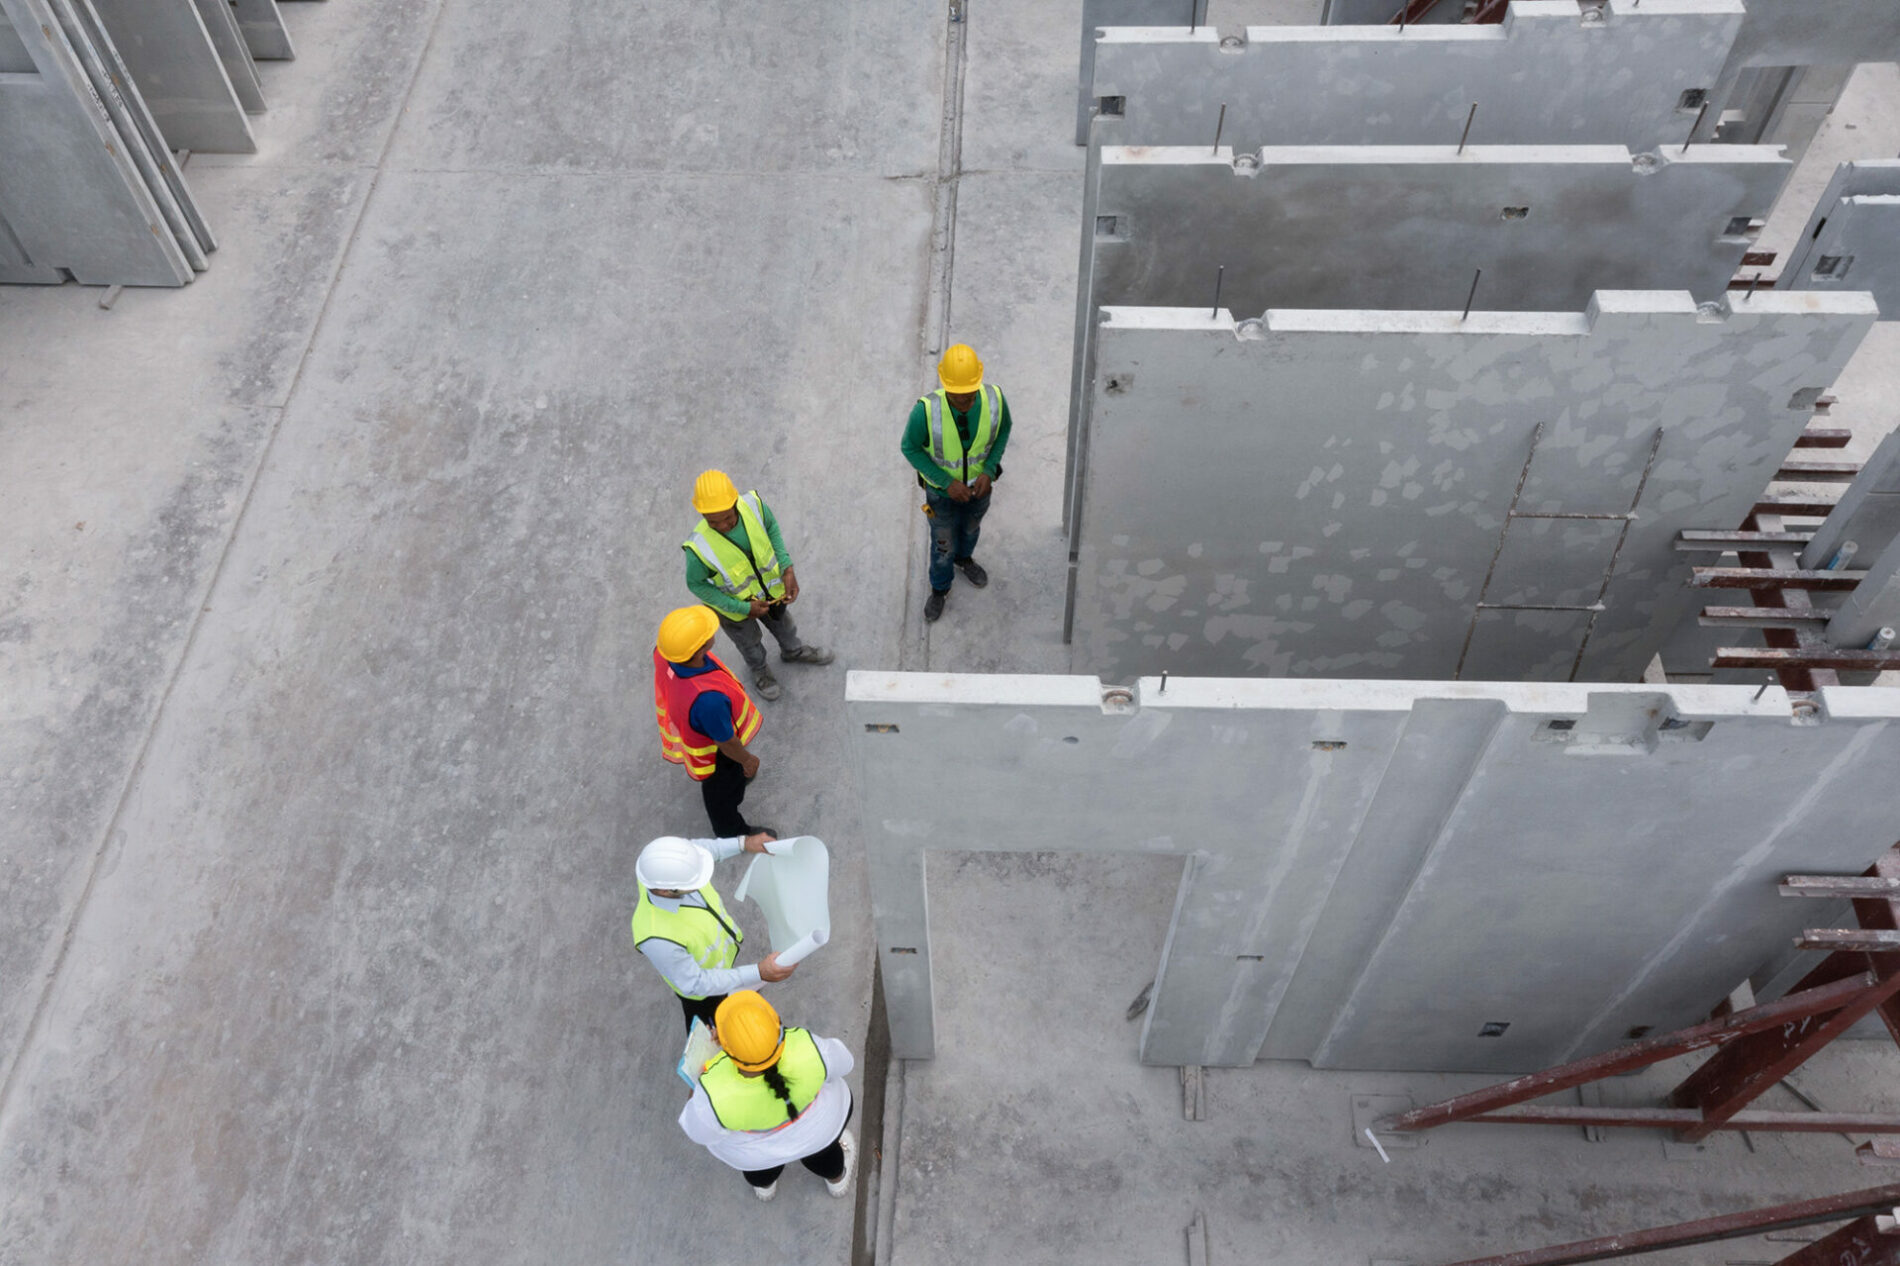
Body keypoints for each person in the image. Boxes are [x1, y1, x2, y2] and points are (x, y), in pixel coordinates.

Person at [679, 990, 856, 1202]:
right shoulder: (807, 1046)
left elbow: (698, 1132)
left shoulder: (712, 1093)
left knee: (759, 1171)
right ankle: (837, 1181)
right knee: (824, 1155)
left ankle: (765, 1187)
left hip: (756, 1153)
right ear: (777, 1026)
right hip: (816, 1131)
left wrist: (702, 1071)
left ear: (725, 1047)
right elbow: (845, 1063)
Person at [683, 469, 833, 702]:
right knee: (749, 643)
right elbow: (697, 586)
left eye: (728, 518)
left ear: (735, 502)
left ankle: (793, 651)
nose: (723, 525)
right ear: (701, 513)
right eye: (713, 522)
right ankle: (760, 670)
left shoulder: (754, 506)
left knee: (784, 625)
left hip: (772, 594)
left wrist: (787, 567)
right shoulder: (698, 549)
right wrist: (743, 608)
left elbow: (771, 527)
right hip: (735, 610)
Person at [632, 836, 797, 1030]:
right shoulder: (657, 939)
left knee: (731, 990)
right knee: (716, 1029)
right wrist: (758, 972)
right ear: (668, 891)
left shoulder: (662, 862)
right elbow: (696, 983)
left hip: (719, 964)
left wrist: (743, 843)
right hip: (704, 995)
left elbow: (702, 850)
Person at [900, 343, 1013, 623]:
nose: (964, 401)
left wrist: (988, 469)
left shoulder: (995, 400)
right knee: (942, 545)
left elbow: (1003, 430)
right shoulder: (925, 411)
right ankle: (940, 587)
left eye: (970, 393)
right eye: (957, 395)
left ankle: (965, 560)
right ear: (944, 384)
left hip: (980, 490)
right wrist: (946, 482)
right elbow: (910, 448)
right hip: (941, 496)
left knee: (971, 529)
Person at [654, 604, 770, 839]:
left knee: (726, 782)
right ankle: (730, 831)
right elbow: (727, 743)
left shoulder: (664, 653)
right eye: (707, 635)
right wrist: (747, 760)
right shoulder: (708, 701)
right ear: (699, 650)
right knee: (723, 792)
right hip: (717, 754)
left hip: (697, 726)